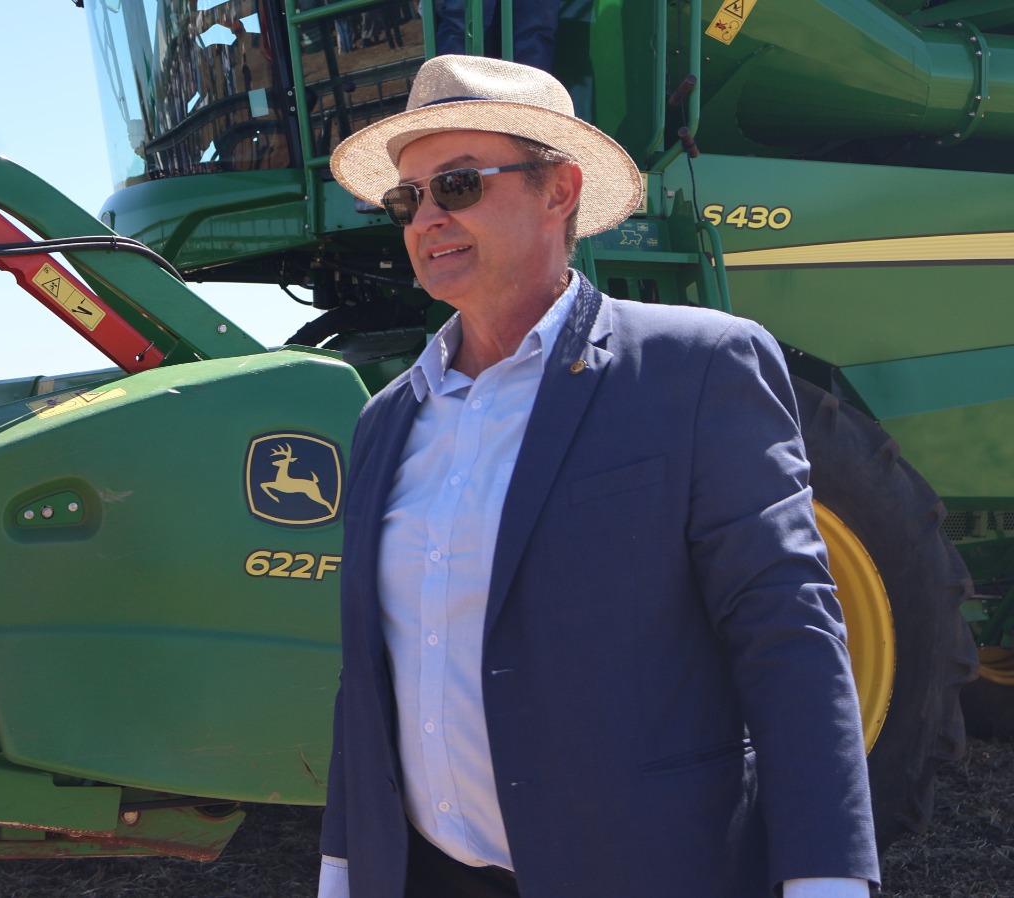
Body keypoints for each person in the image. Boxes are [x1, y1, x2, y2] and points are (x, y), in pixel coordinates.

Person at [317, 55, 879, 898]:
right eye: (407, 198)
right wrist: (343, 866)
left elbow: (787, 634)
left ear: (560, 190)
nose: (426, 217)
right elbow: (367, 676)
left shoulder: (697, 369)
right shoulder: (386, 419)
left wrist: (825, 878)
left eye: (458, 185)